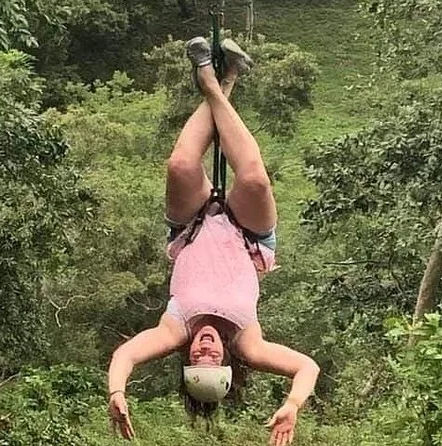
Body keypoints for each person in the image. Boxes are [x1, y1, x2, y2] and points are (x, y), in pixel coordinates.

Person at [107, 36, 320, 446]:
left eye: (197, 360)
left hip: (191, 226)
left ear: (186, 360)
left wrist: (117, 391)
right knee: (254, 179)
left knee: (180, 165)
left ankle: (221, 78)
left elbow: (125, 355)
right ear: (227, 362)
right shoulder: (248, 342)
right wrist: (293, 404)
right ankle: (219, 79)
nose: (205, 351)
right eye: (213, 359)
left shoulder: (174, 330)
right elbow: (306, 367)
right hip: (248, 234)